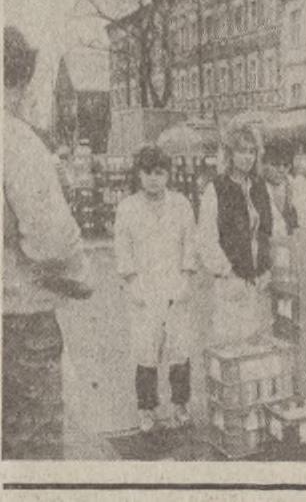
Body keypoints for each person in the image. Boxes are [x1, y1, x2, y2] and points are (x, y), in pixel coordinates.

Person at [3, 26, 92, 459]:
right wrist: (80, 279)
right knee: (29, 459)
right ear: (18, 78)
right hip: (17, 323)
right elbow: (52, 242)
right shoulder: (17, 143)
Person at [114, 146, 197, 433]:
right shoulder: (127, 208)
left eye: (159, 173)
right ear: (139, 174)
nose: (153, 179)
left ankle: (180, 404)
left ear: (167, 175)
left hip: (175, 285)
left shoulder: (181, 204)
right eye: (148, 173)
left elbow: (190, 243)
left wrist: (186, 278)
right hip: (144, 289)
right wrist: (132, 283)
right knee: (146, 352)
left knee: (179, 350)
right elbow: (122, 250)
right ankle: (146, 408)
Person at [198, 123, 275, 344]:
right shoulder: (216, 189)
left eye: (252, 151)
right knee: (231, 344)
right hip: (230, 282)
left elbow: (269, 230)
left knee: (255, 348)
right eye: (242, 151)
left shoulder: (260, 186)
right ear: (230, 154)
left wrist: (267, 267)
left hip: (257, 280)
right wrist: (227, 271)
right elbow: (206, 239)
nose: (248, 157)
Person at [260, 140, 298, 237]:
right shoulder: (257, 188)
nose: (281, 170)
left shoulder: (292, 186)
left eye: (286, 165)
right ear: (263, 164)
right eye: (275, 164)